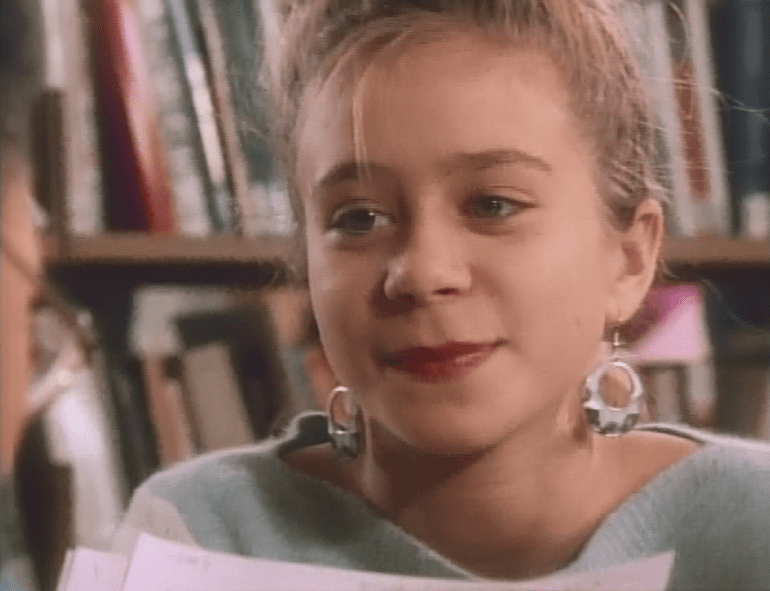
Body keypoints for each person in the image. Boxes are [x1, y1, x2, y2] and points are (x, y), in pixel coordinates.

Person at [112, 1, 770, 588]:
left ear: (628, 259)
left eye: (492, 205)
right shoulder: (195, 533)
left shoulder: (750, 521)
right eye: (359, 218)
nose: (422, 272)